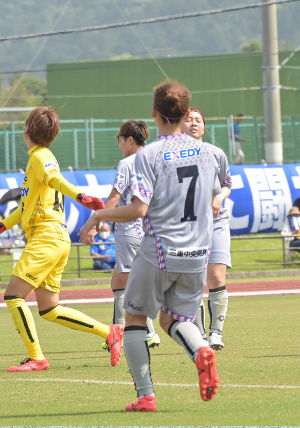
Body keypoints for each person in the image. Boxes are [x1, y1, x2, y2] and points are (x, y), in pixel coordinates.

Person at [80, 80, 220, 411]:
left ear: (154, 112)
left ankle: (146, 395)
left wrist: (98, 215)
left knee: (134, 319)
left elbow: (139, 209)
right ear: (187, 114)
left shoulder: (151, 155)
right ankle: (201, 350)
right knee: (174, 320)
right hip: (198, 253)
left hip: (159, 250)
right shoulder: (210, 153)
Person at [0, 107, 122, 372]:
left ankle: (37, 358)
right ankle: (108, 333)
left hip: (46, 237)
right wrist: (3, 224)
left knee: (13, 296)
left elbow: (55, 179)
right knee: (49, 308)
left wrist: (80, 195)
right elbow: (25, 206)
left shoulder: (39, 157)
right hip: (55, 238)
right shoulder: (43, 156)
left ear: (26, 130)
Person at [96, 120, 160, 350]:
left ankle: (149, 332)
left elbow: (114, 197)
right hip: (148, 228)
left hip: (128, 229)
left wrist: (97, 220)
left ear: (130, 140)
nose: (120, 145)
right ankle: (117, 333)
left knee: (131, 283)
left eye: (121, 140)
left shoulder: (127, 163)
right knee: (118, 280)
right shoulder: (154, 158)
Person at [182, 108, 232, 351]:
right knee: (195, 280)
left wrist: (219, 198)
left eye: (198, 120)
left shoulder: (216, 153)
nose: (193, 123)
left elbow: (227, 184)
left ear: (204, 127)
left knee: (217, 277)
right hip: (189, 224)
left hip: (217, 221)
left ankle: (216, 334)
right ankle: (200, 335)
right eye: (188, 119)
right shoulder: (171, 155)